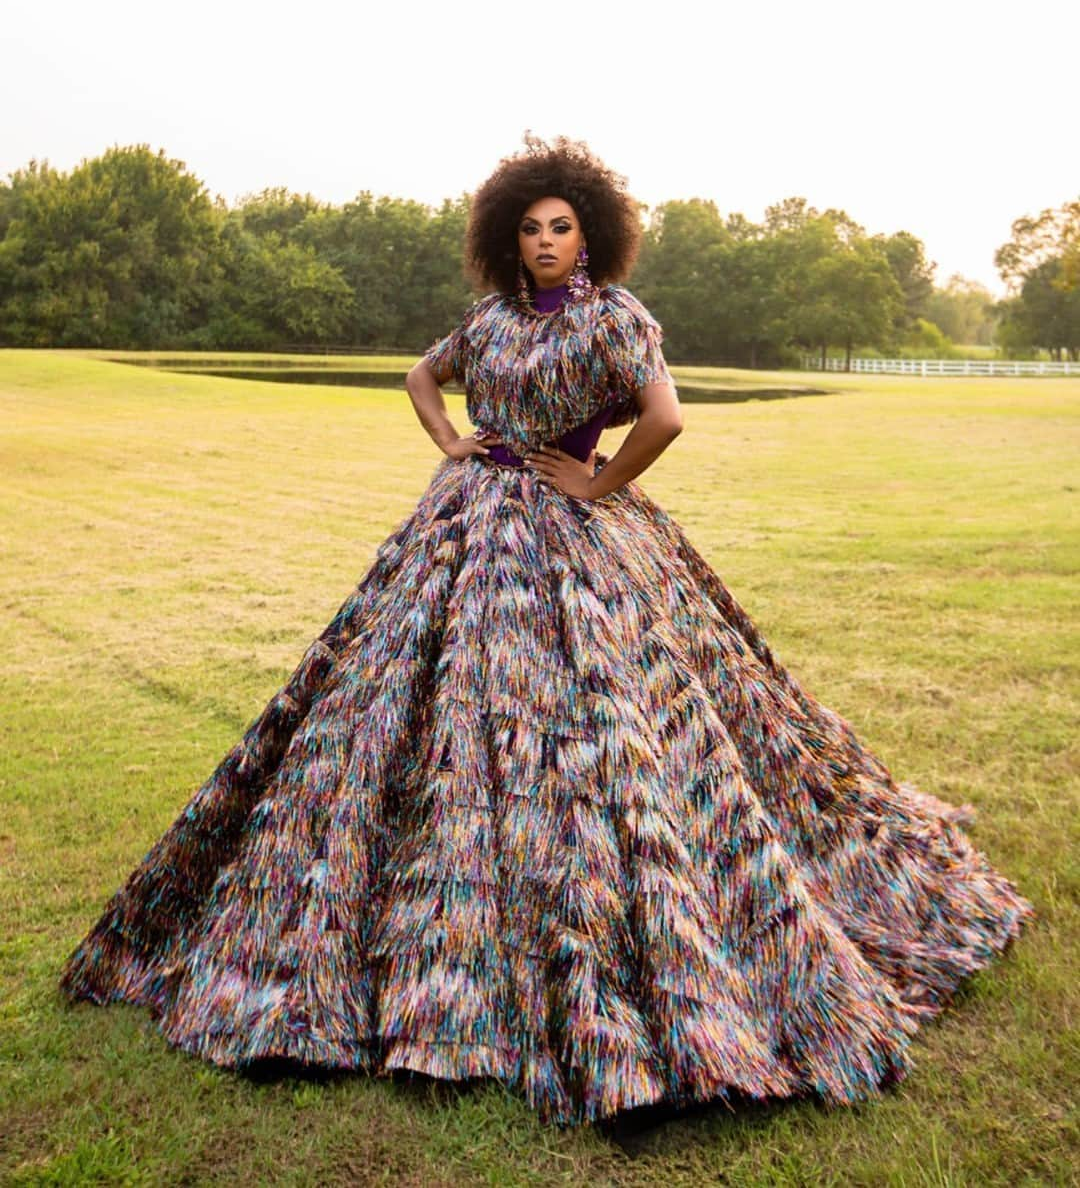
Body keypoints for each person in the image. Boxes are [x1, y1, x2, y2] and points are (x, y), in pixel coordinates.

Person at [58, 135, 1034, 1128]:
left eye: (561, 227)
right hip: (468, 523)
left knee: (628, 715)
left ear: (592, 233)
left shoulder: (618, 318)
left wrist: (599, 481)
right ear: (507, 240)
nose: (546, 243)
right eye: (530, 230)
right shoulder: (489, 320)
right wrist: (450, 440)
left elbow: (666, 417)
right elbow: (419, 376)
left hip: (577, 529)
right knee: (403, 704)